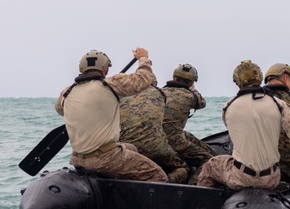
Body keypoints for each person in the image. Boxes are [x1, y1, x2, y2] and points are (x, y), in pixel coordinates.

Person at [198, 61, 290, 190]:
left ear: (238, 82)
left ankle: (205, 202)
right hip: (271, 178)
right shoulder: (279, 104)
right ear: (260, 79)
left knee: (210, 165)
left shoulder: (228, 107)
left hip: (240, 177)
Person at [55, 48, 167, 182]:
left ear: (81, 68)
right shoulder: (111, 84)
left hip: (78, 159)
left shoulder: (66, 93)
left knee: (132, 148)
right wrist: (143, 59)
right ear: (106, 70)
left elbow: (60, 110)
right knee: (158, 176)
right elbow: (143, 79)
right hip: (106, 158)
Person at [119, 81, 190, 183]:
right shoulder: (159, 93)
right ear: (154, 84)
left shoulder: (123, 95)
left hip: (128, 147)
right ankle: (168, 181)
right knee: (182, 168)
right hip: (156, 148)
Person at [161, 63, 215, 178]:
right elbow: (202, 103)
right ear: (191, 83)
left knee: (187, 135)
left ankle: (214, 154)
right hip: (175, 142)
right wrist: (193, 89)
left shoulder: (159, 92)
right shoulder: (190, 96)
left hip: (157, 139)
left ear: (174, 78)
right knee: (209, 161)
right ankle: (195, 186)